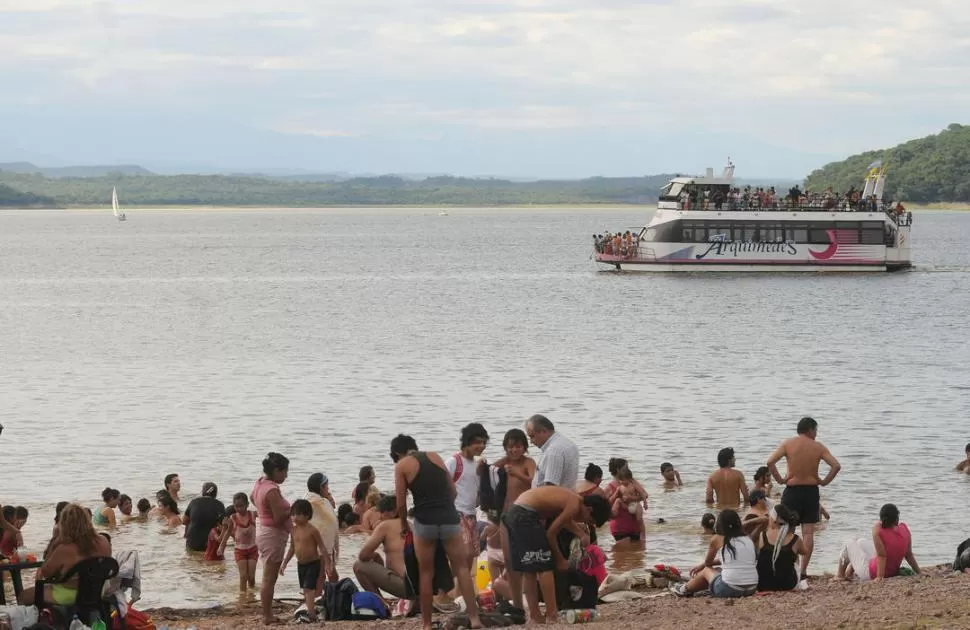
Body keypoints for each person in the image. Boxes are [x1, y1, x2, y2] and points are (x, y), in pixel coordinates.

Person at [391, 434, 482, 630]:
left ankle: (426, 624)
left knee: (426, 572)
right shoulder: (435, 456)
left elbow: (400, 504)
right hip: (449, 518)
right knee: (462, 568)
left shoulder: (401, 466)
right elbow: (454, 492)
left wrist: (403, 526)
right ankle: (474, 619)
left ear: (398, 453)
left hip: (425, 520)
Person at [503, 485, 610, 623]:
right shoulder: (573, 504)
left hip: (516, 512)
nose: (584, 522)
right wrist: (559, 559)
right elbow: (551, 533)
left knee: (529, 568)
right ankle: (552, 614)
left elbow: (564, 522)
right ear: (589, 510)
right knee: (545, 566)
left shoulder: (573, 499)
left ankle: (535, 616)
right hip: (525, 514)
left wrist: (580, 533)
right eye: (589, 521)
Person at [767, 416, 842, 579]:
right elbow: (836, 466)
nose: (816, 433)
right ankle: (802, 571)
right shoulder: (818, 447)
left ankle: (787, 567)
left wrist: (780, 479)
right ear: (810, 429)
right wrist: (824, 481)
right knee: (808, 533)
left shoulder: (787, 444)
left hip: (792, 491)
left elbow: (770, 462)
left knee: (788, 530)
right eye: (815, 430)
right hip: (810, 491)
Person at [19, 504, 112, 606]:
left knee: (23, 596)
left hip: (71, 594)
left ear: (64, 524)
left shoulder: (65, 549)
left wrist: (55, 540)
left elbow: (45, 573)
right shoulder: (103, 541)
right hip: (98, 591)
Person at [492, 428, 536, 610]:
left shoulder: (528, 462)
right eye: (510, 447)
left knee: (526, 559)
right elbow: (488, 474)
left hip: (524, 515)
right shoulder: (503, 463)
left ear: (524, 447)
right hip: (505, 517)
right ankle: (517, 602)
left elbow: (533, 481)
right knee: (509, 560)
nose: (513, 450)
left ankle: (529, 600)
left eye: (517, 446)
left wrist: (516, 474)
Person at [669, 509, 758, 599]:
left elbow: (708, 563)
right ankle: (699, 589)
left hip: (729, 589)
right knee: (719, 570)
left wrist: (703, 565)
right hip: (752, 588)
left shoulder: (717, 539)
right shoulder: (747, 539)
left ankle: (682, 589)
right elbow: (732, 559)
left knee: (707, 570)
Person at [252, 452, 292, 626]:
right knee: (269, 578)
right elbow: (278, 519)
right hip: (273, 535)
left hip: (264, 531)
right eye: (284, 472)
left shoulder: (260, 483)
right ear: (277, 470)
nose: (286, 475)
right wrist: (293, 511)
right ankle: (267, 615)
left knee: (269, 576)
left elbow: (252, 498)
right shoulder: (272, 490)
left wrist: (263, 512)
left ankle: (267, 613)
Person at [446, 423, 490, 579]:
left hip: (472, 515)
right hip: (457, 514)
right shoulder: (454, 461)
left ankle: (456, 593)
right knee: (462, 556)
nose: (482, 446)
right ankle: (444, 592)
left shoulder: (477, 464)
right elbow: (441, 486)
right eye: (478, 442)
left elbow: (477, 493)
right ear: (467, 442)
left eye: (484, 442)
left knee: (470, 556)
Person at [835, 503, 920, 582]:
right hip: (892, 571)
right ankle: (850, 570)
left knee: (848, 543)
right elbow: (909, 555)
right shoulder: (904, 529)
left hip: (871, 574)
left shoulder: (878, 530)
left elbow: (882, 555)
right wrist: (919, 573)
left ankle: (840, 576)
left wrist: (879, 577)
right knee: (860, 542)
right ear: (896, 519)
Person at [354, 495, 409, 606]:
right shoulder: (411, 525)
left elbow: (363, 556)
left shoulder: (385, 525)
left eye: (382, 512)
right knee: (375, 558)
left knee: (358, 565)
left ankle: (382, 604)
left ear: (393, 512)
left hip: (406, 586)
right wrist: (377, 557)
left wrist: (374, 556)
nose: (380, 516)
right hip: (423, 586)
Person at [281, 499, 327, 623]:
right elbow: (292, 548)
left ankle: (311, 613)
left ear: (307, 515)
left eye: (298, 514)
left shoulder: (312, 530)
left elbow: (322, 546)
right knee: (305, 589)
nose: (294, 517)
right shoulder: (293, 530)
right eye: (293, 514)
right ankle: (310, 609)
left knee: (309, 588)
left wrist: (328, 563)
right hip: (301, 564)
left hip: (313, 563)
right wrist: (284, 563)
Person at [755, 505, 807, 591]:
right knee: (795, 555)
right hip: (788, 584)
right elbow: (805, 552)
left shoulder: (763, 535)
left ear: (774, 520)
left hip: (763, 584)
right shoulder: (795, 539)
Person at [525, 414, 579, 488]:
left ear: (543, 431)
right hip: (567, 495)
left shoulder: (553, 451)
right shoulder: (567, 443)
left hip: (553, 498)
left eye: (532, 436)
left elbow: (551, 488)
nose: (531, 441)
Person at [306, 473, 339, 584]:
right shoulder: (321, 503)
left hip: (312, 544)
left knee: (329, 575)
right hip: (322, 545)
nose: (328, 489)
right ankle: (319, 597)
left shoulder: (308, 500)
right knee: (322, 575)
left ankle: (325, 595)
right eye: (327, 486)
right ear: (321, 487)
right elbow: (329, 522)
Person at [222, 493, 259, 590]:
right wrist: (221, 547)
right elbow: (227, 532)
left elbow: (265, 514)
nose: (239, 509)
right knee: (243, 576)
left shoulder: (253, 514)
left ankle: (252, 594)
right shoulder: (233, 518)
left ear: (247, 504)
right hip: (240, 550)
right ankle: (242, 597)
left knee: (251, 577)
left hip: (253, 550)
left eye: (241, 506)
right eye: (236, 506)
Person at [183, 482, 226, 553]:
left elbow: (184, 521)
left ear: (203, 491)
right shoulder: (219, 505)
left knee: (192, 561)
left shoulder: (194, 502)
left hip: (192, 542)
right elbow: (223, 527)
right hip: (209, 543)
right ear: (215, 493)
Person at [609, 466, 648, 534]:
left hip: (635, 505)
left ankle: (643, 533)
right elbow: (614, 497)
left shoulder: (633, 485)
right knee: (618, 500)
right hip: (627, 507)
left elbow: (643, 494)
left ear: (629, 479)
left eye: (624, 480)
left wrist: (645, 503)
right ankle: (613, 513)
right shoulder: (620, 487)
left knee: (639, 519)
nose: (622, 482)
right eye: (620, 480)